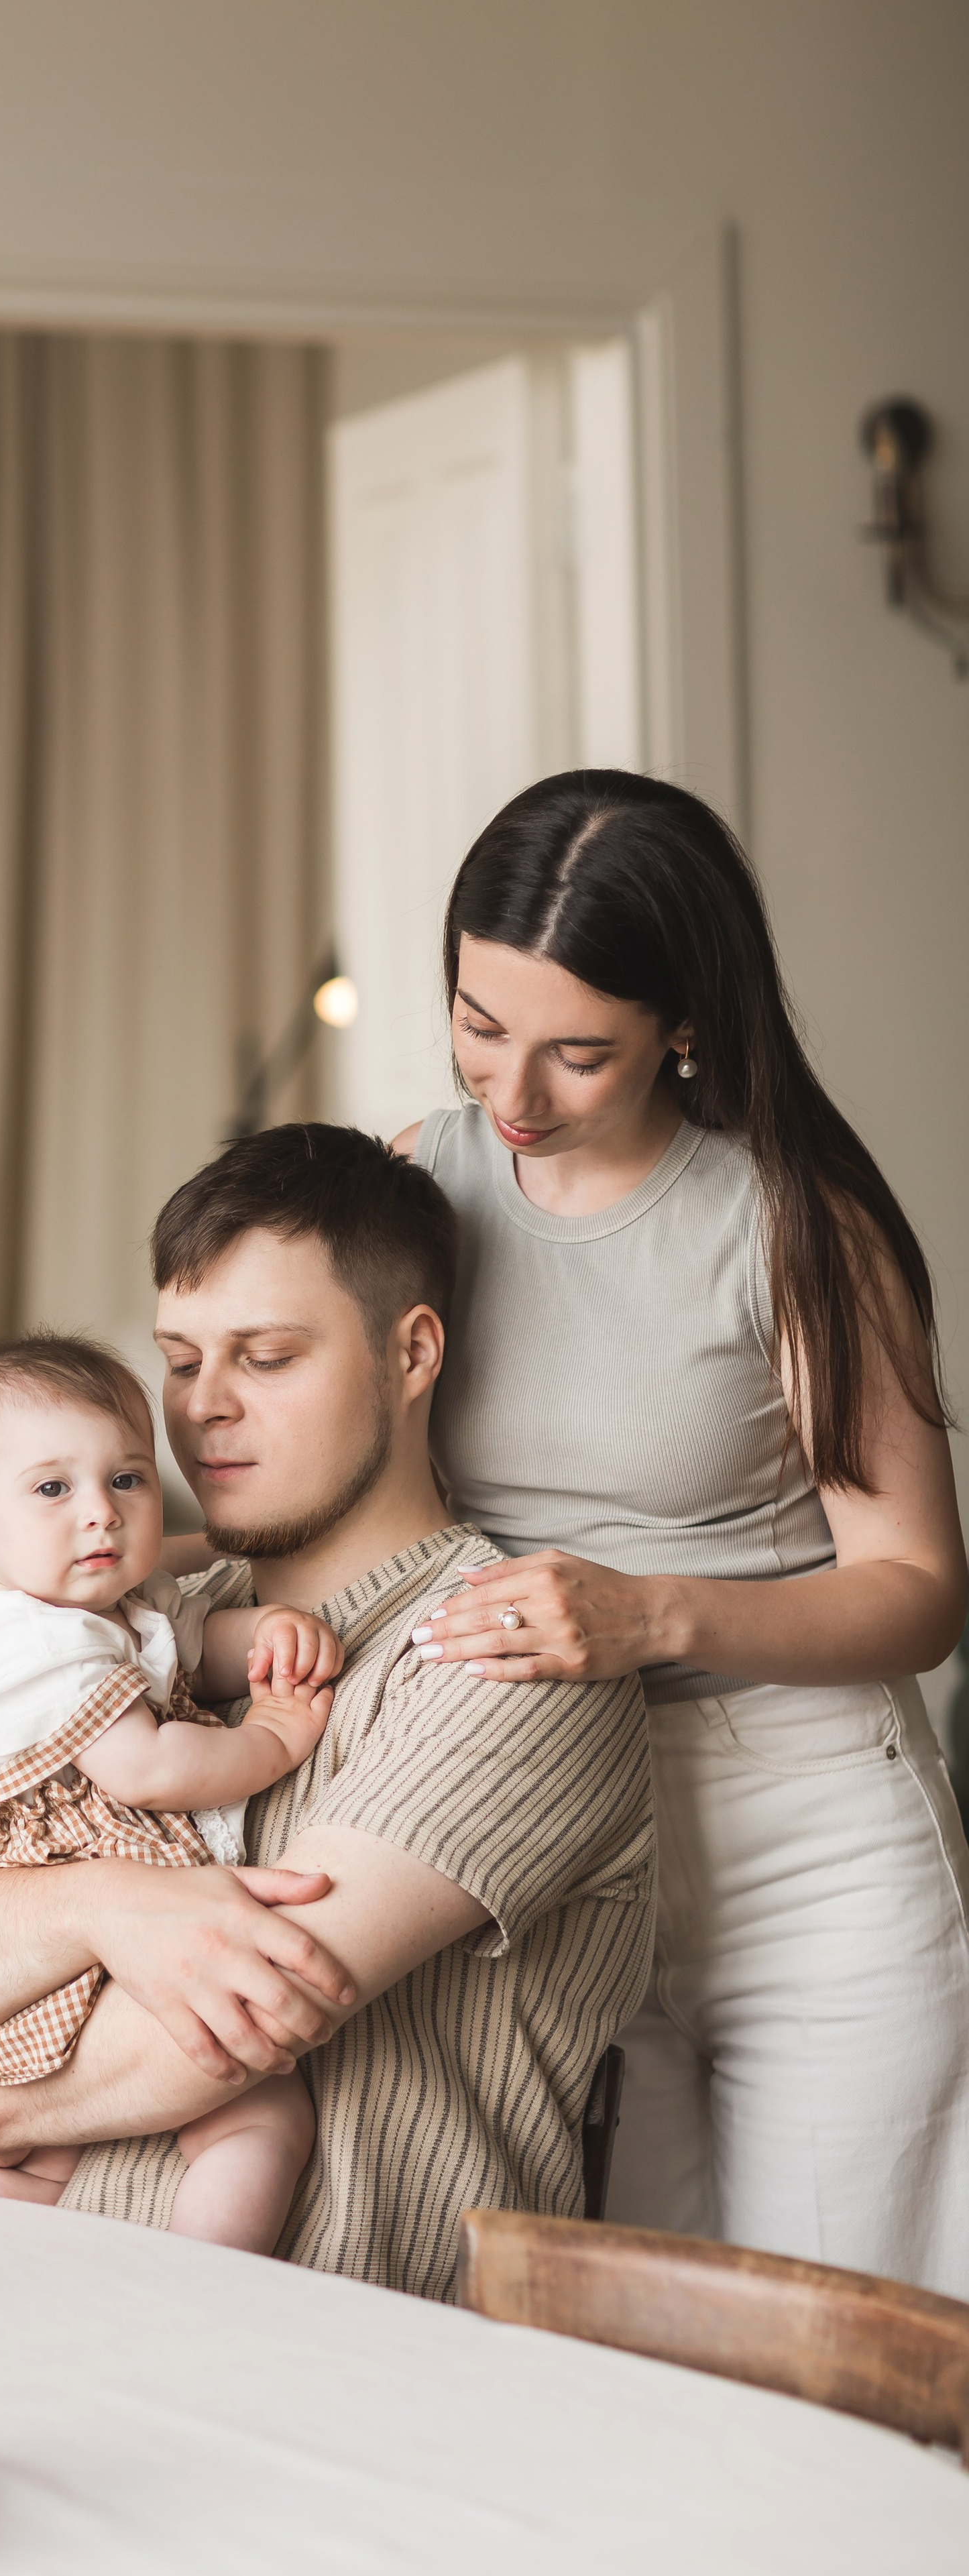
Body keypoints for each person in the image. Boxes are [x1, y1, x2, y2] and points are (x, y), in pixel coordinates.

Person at [0, 1125, 653, 2299]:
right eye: (178, 1359)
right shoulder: (123, 1620)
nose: (203, 1411)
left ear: (411, 1352)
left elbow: (241, 2020)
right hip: (64, 2306)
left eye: (264, 1357)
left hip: (351, 2365)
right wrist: (111, 1903)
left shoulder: (510, 1653)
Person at [390, 767, 969, 2294]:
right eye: (476, 1023)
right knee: (632, 2358)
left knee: (840, 2351)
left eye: (576, 1052)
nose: (510, 1094)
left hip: (809, 1838)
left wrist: (650, 1616)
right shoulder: (417, 1185)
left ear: (683, 1024)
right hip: (546, 1832)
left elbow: (916, 1589)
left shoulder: (792, 1225)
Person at [0, 1329, 336, 2253]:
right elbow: (149, 1766)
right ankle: (199, 2287)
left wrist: (267, 1633)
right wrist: (274, 1734)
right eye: (53, 1489)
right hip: (75, 1951)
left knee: (39, 2169)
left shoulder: (100, 1603)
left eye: (128, 1479)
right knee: (260, 2117)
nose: (100, 1516)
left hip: (85, 1944)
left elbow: (187, 1645)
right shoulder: (39, 1646)